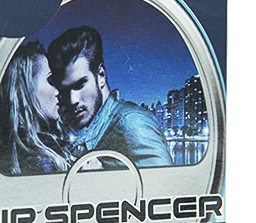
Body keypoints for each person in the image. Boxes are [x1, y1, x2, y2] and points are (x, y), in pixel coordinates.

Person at [47, 26, 172, 168]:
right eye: (64, 90)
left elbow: (166, 180)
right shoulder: (98, 128)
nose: (72, 100)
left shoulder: (132, 123)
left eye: (80, 84)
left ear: (101, 75)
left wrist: (98, 178)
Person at [0, 40, 71, 175]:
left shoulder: (17, 154)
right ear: (26, 88)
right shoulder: (42, 162)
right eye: (50, 80)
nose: (57, 91)